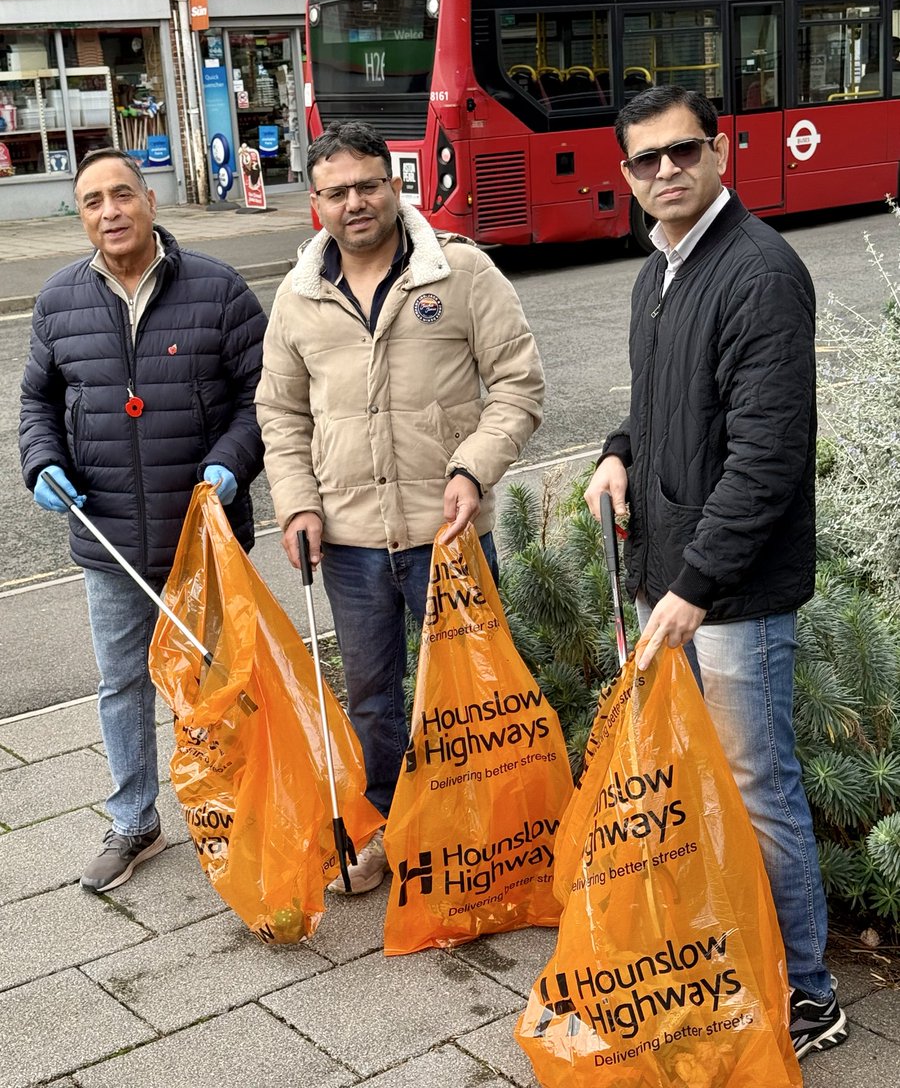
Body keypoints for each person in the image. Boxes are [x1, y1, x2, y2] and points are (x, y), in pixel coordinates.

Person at [583, 86, 847, 1062]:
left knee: (757, 789)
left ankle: (811, 994)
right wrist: (616, 451)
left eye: (681, 152)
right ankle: (738, 959)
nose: (665, 172)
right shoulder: (659, 273)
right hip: (680, 587)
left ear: (721, 151)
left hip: (731, 600)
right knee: (708, 791)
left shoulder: (757, 273)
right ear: (626, 175)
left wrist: (692, 589)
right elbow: (658, 406)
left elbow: (768, 455)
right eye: (646, 160)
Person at [256, 121, 544, 893]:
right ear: (313, 204)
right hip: (346, 544)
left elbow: (518, 386)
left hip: (447, 535)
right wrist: (295, 507)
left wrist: (473, 470)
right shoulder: (296, 297)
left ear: (393, 187)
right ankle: (386, 827)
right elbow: (280, 416)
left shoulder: (462, 273)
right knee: (375, 698)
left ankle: (487, 838)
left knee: (475, 693)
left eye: (369, 185)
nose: (356, 202)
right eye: (337, 191)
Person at [20, 149, 266, 894]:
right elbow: (35, 403)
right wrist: (41, 464)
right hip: (108, 539)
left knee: (220, 682)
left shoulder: (219, 290)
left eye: (121, 194)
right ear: (83, 215)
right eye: (92, 201)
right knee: (122, 683)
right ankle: (135, 821)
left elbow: (266, 398)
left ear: (149, 200)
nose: (110, 212)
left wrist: (231, 462)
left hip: (204, 536)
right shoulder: (58, 300)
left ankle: (237, 807)